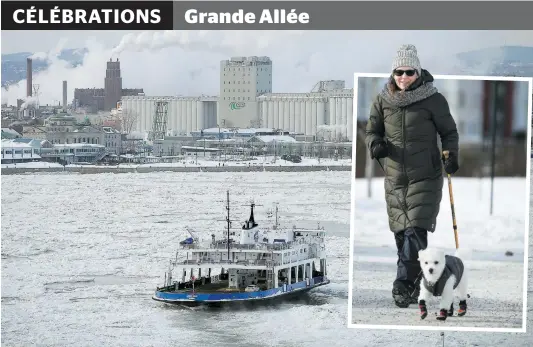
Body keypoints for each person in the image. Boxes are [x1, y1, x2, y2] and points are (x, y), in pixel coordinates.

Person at [365, 44, 460, 308]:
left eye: (409, 72)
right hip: (394, 177)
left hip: (425, 176)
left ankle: (402, 285)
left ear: (417, 72)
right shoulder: (382, 100)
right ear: (393, 73)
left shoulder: (434, 99)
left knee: (415, 231)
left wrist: (450, 155)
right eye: (399, 72)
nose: (403, 77)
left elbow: (449, 133)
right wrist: (376, 145)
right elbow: (371, 131)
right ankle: (417, 284)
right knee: (402, 235)